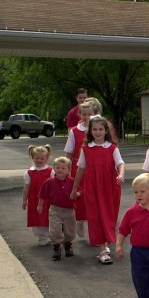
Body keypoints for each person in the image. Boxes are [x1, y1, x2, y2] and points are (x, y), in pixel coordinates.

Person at [70, 115, 125, 264]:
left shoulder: (112, 148)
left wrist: (120, 175)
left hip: (110, 187)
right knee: (96, 216)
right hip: (92, 187)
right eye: (94, 129)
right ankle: (102, 249)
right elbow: (81, 169)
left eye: (101, 129)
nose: (98, 132)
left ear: (106, 131)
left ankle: (105, 244)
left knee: (108, 215)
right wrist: (74, 188)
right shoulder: (86, 149)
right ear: (90, 131)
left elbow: (120, 163)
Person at [64, 98, 95, 239]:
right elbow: (69, 152)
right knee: (80, 198)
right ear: (80, 115)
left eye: (90, 114)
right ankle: (80, 221)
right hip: (79, 169)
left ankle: (93, 226)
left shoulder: (98, 129)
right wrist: (65, 168)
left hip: (95, 170)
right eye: (84, 114)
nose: (87, 117)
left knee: (94, 199)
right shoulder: (75, 131)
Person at [37, 156, 77, 261]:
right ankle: (56, 247)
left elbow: (80, 191)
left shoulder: (72, 181)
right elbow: (42, 195)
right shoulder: (49, 182)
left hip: (69, 210)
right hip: (55, 210)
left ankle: (68, 245)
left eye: (63, 168)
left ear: (68, 170)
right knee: (55, 230)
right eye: (57, 167)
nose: (60, 170)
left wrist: (77, 193)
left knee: (70, 230)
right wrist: (40, 205)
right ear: (53, 168)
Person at [22, 144, 52, 246]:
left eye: (42, 158)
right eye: (37, 158)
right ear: (32, 157)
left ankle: (49, 235)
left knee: (48, 216)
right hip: (34, 199)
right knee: (37, 217)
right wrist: (24, 200)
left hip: (48, 199)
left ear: (47, 158)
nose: (39, 160)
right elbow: (26, 187)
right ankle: (41, 237)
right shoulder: (29, 173)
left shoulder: (51, 171)